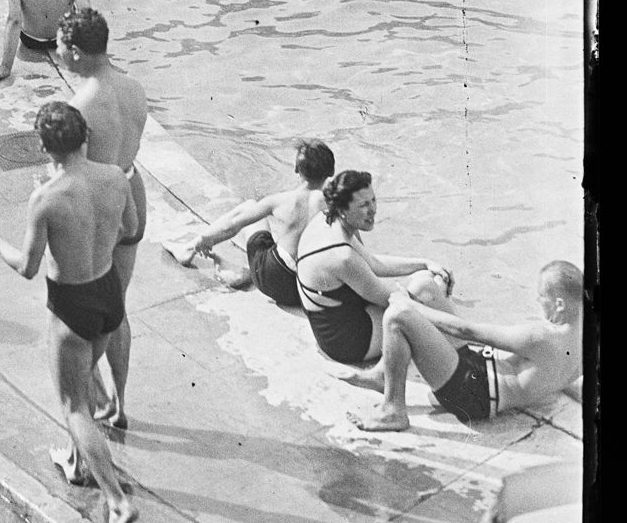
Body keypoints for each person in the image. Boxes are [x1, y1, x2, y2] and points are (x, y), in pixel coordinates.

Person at [0, 102, 138, 523]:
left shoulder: (46, 198)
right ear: (85, 136)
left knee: (74, 405)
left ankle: (117, 501)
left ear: (44, 147)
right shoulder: (116, 178)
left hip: (72, 304)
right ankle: (76, 461)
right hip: (108, 293)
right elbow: (131, 227)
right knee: (83, 378)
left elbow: (27, 266)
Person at [346, 259, 585, 433]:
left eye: (542, 296)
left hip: (470, 394)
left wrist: (410, 306)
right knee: (423, 286)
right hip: (478, 372)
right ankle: (382, 374)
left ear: (560, 304)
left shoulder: (541, 336)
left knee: (398, 315)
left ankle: (392, 411)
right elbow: (561, 376)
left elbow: (465, 330)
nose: (537, 300)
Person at [55, 6, 149, 429]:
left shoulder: (81, 104)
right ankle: (120, 404)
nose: (57, 55)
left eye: (60, 49)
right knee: (118, 308)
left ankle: (87, 401)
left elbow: (73, 172)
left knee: (81, 312)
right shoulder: (135, 88)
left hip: (100, 207)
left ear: (75, 52)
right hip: (131, 190)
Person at [294, 170, 455, 369]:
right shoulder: (342, 256)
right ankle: (463, 347)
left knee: (424, 280)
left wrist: (425, 263)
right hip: (347, 342)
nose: (372, 210)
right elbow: (395, 302)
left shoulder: (327, 220)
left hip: (331, 326)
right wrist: (435, 290)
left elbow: (373, 263)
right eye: (363, 205)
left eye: (373, 200)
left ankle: (458, 338)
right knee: (425, 287)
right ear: (343, 209)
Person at [179, 139, 336, 307]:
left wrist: (205, 239)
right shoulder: (337, 206)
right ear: (331, 171)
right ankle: (246, 273)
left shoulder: (280, 201)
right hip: (304, 290)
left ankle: (190, 248)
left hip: (271, 278)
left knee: (250, 206)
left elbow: (232, 226)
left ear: (297, 169)